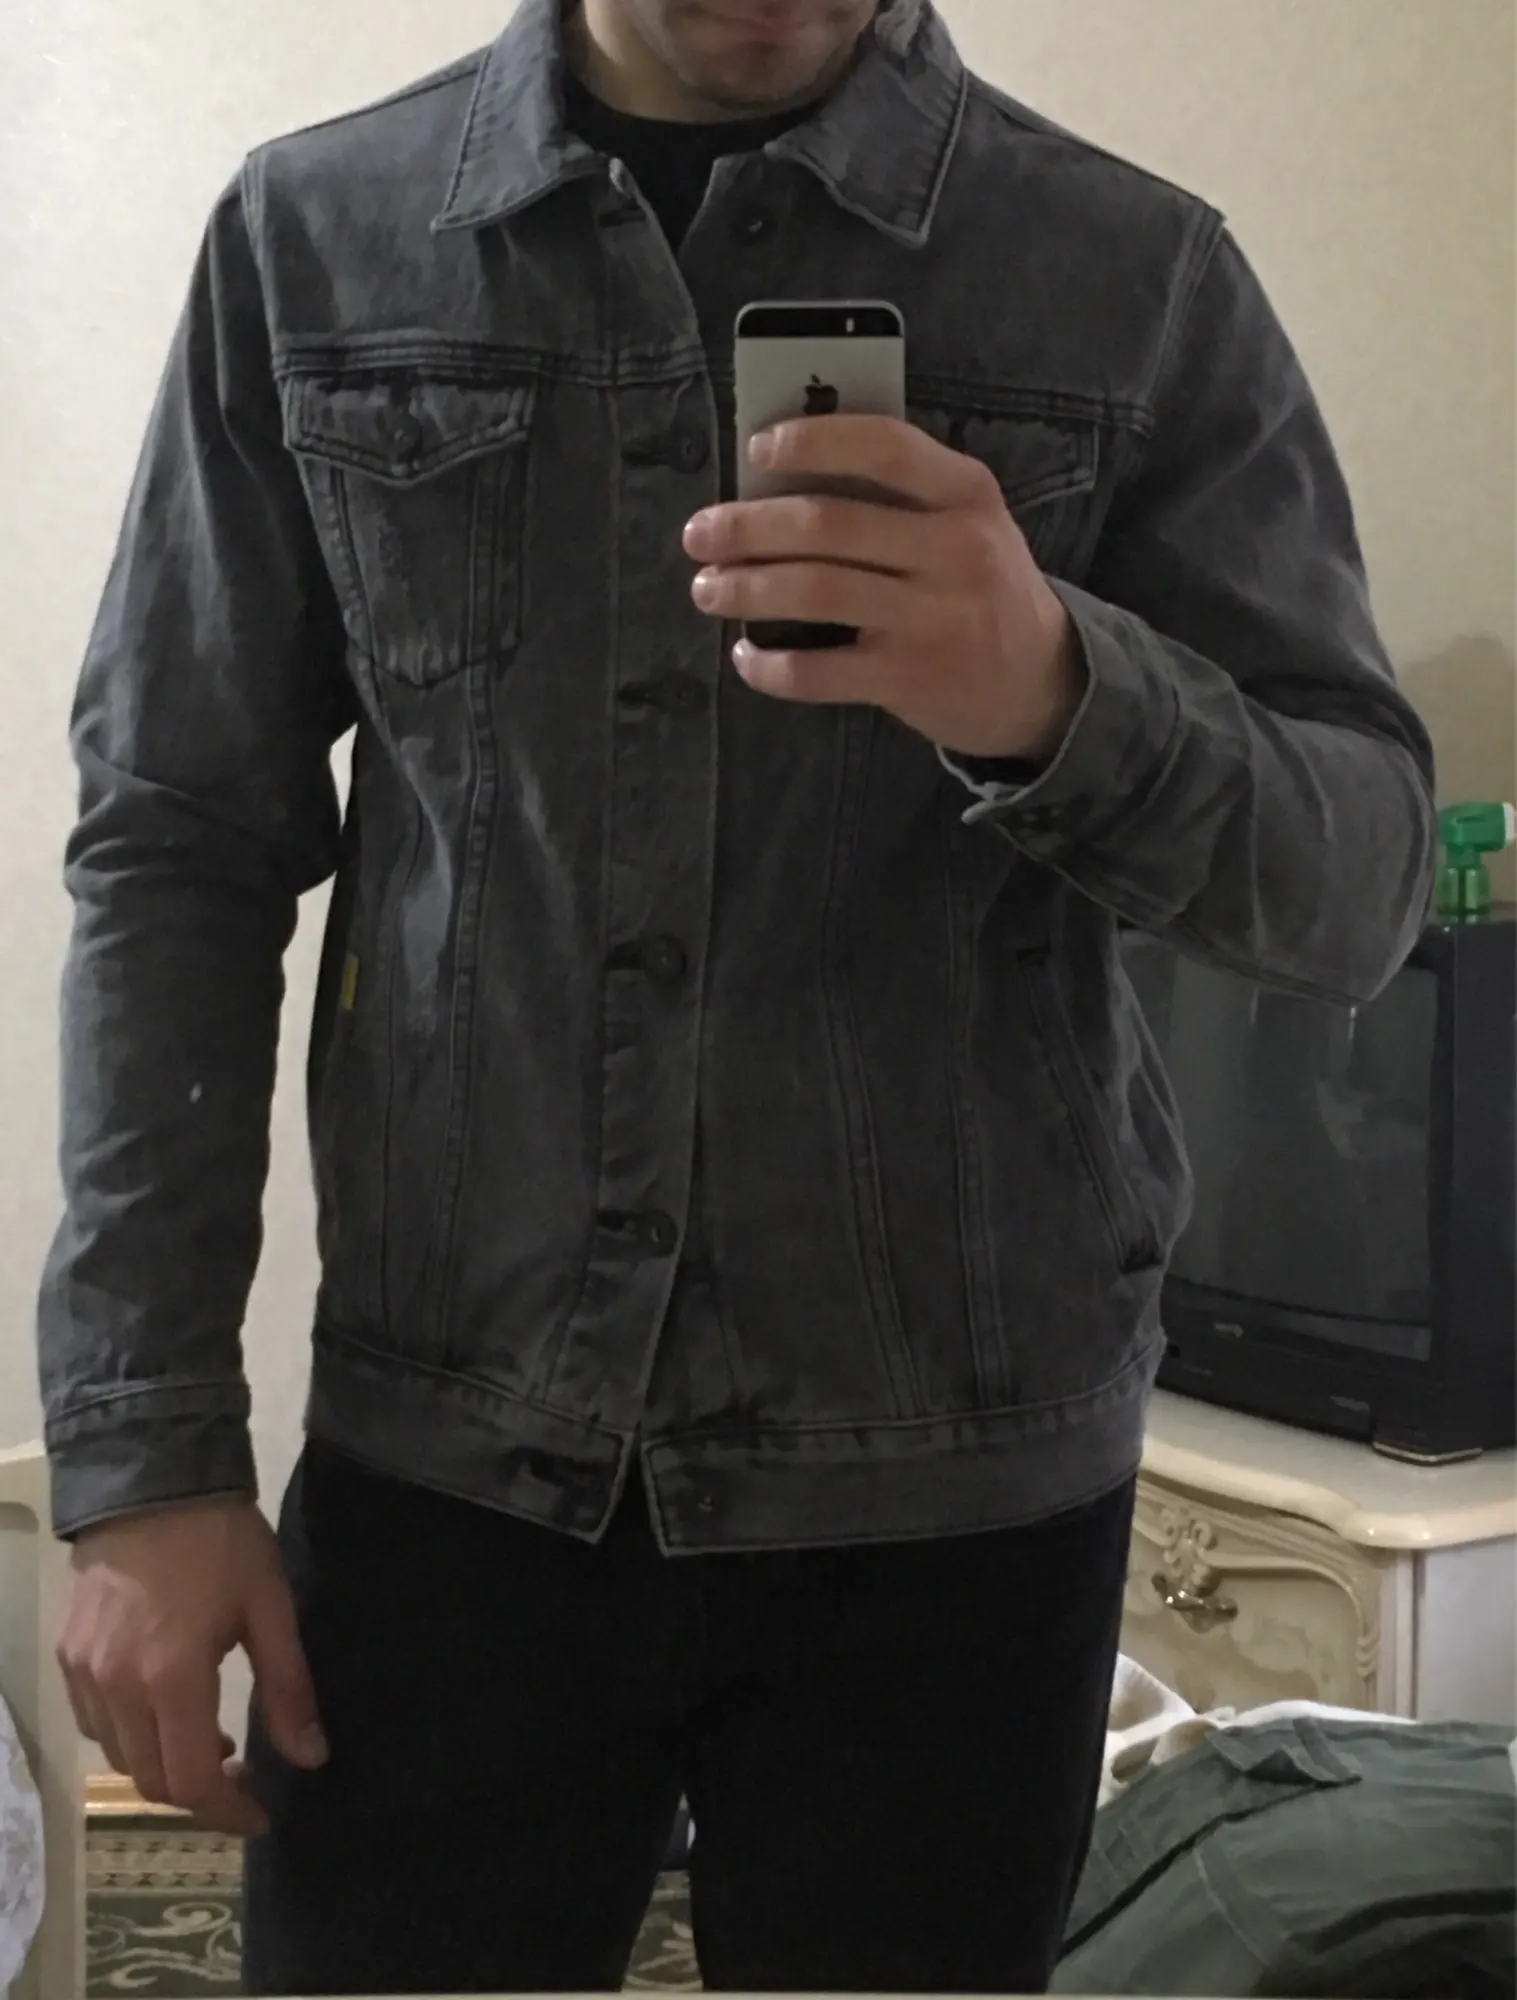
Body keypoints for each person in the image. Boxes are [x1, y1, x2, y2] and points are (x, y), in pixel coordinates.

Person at [38, 0, 1436, 1992]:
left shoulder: (1130, 278)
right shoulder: (315, 243)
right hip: (455, 1462)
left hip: (955, 1509)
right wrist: (148, 1453)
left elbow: (1365, 882)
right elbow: (176, 845)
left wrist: (1056, 691)